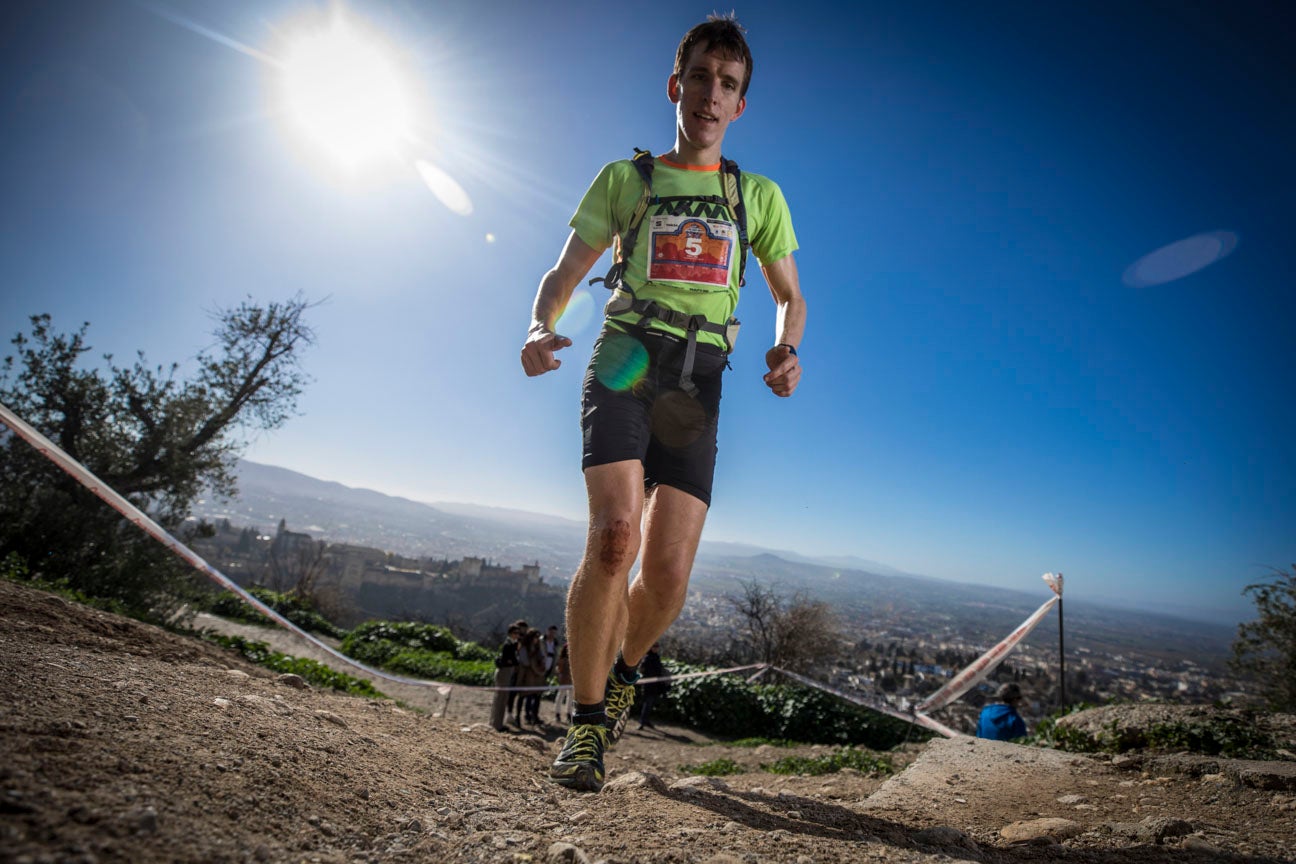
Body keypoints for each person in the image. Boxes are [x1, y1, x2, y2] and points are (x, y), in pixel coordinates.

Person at [521, 14, 805, 793]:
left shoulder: (758, 196)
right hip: (627, 357)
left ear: (740, 105)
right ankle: (584, 729)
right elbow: (562, 274)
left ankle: (621, 672)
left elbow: (789, 296)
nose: (713, 95)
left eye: (730, 85)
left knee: (670, 574)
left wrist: (786, 348)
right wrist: (540, 327)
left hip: (701, 376)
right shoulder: (627, 179)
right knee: (616, 538)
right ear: (676, 86)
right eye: (703, 78)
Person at [489, 625, 521, 731]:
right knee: (500, 698)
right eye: (515, 633)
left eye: (518, 633)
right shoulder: (508, 645)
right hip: (504, 672)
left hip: (508, 671)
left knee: (503, 698)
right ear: (510, 633)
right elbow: (510, 660)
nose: (517, 635)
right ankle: (495, 724)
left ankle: (498, 723)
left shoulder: (513, 644)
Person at [515, 628, 548, 726]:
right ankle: (518, 717)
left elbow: (542, 658)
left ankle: (534, 716)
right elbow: (525, 661)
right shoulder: (524, 647)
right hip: (526, 675)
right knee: (523, 696)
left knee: (537, 696)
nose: (536, 639)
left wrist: (540, 664)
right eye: (535, 637)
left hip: (537, 676)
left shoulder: (538, 648)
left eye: (538, 637)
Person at [636, 643, 669, 730]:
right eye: (654, 647)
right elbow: (642, 669)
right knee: (647, 703)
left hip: (655, 685)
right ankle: (642, 722)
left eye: (657, 647)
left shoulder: (656, 657)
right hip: (648, 685)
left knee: (650, 704)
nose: (656, 649)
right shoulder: (647, 658)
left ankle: (646, 721)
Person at [554, 641, 574, 724]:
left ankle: (569, 713)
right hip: (564, 681)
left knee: (570, 698)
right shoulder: (562, 660)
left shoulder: (573, 659)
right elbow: (559, 670)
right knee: (561, 696)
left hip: (571, 681)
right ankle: (557, 713)